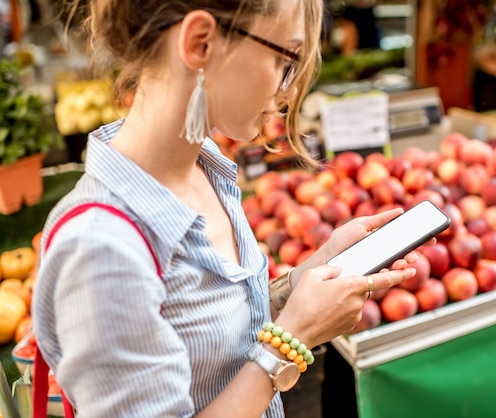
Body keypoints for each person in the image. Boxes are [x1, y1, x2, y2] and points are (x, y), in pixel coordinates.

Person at [32, 1, 420, 417]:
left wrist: (298, 284)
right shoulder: (100, 250)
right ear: (200, 44)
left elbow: (209, 341)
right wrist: (292, 338)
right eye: (283, 60)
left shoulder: (206, 169)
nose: (287, 90)